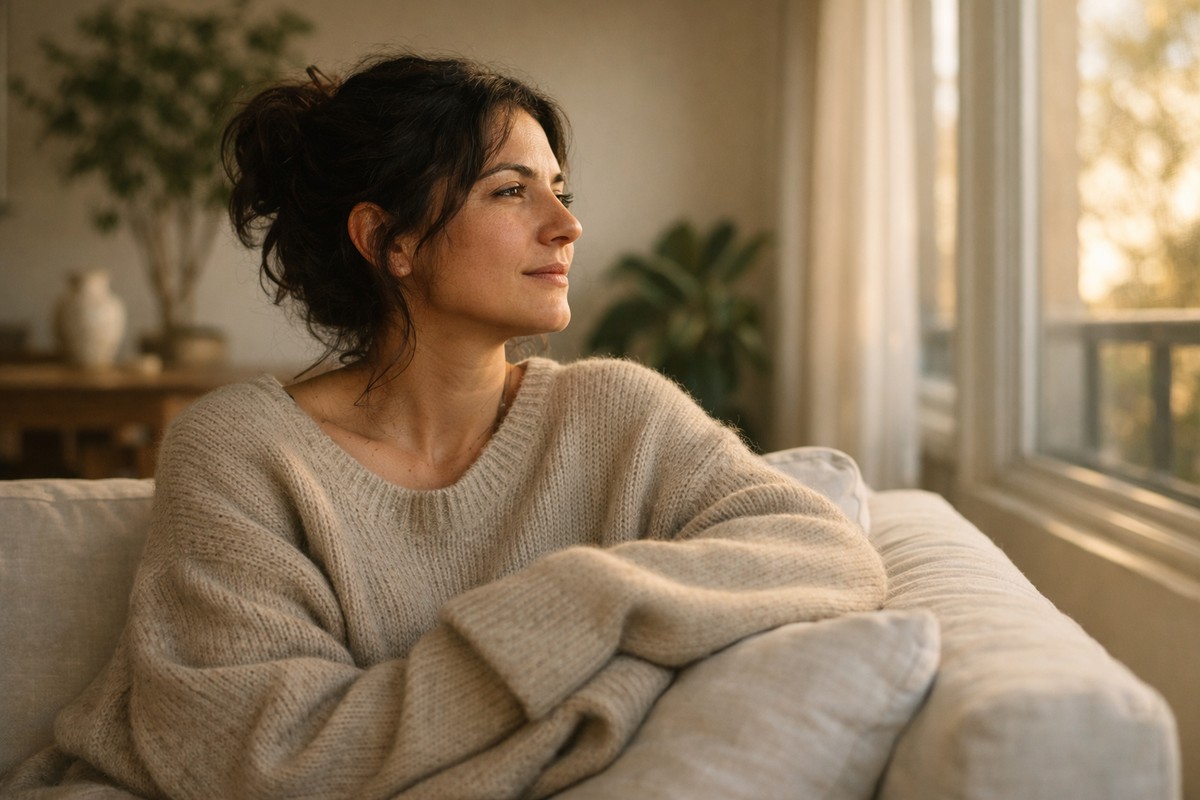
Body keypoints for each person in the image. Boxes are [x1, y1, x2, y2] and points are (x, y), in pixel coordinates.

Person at [0, 54, 886, 799]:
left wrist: (588, 601)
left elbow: (825, 551)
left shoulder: (616, 411)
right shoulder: (239, 450)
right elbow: (270, 762)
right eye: (511, 192)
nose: (567, 226)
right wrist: (582, 680)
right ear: (391, 242)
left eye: (560, 190)